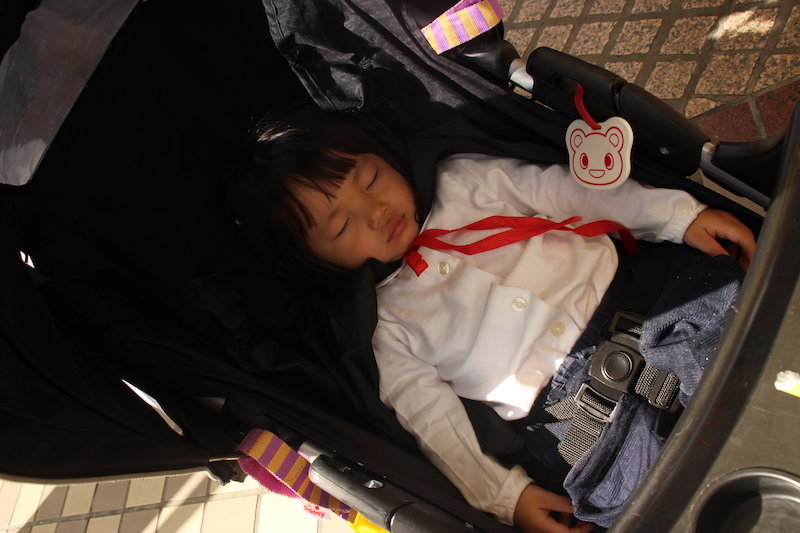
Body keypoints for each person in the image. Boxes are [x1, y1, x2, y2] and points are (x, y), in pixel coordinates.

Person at [230, 108, 757, 533]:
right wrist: (503, 495)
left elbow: (571, 191)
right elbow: (433, 421)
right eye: (343, 225)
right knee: (648, 498)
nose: (375, 211)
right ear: (319, 264)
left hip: (646, 294)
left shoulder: (463, 180)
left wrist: (676, 216)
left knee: (738, 326)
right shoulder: (382, 328)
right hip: (579, 415)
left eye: (370, 179)